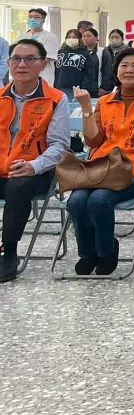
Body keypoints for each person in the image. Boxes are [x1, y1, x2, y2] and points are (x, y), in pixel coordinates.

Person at [68, 48, 134, 276]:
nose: (129, 70)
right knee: (76, 202)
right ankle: (88, 253)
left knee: (99, 201)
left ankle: (106, 252)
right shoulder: (104, 102)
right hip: (99, 169)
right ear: (116, 71)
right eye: (124, 65)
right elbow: (93, 140)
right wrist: (86, 107)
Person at [0, 38, 70, 281]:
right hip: (2, 167)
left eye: (30, 59)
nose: (22, 64)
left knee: (18, 186)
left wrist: (33, 166)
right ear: (9, 63)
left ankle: (8, 252)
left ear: (42, 64)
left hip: (37, 172)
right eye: (17, 59)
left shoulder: (56, 99)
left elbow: (59, 146)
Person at [55, 28, 99, 103]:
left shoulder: (85, 54)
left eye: (74, 37)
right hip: (59, 88)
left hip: (76, 89)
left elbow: (89, 74)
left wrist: (85, 89)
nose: (71, 39)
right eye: (69, 37)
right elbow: (55, 70)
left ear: (79, 39)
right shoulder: (60, 52)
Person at [20, 7, 60, 86]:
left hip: (43, 78)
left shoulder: (50, 37)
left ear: (43, 20)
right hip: (24, 79)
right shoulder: (22, 37)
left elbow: (45, 61)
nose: (32, 19)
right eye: (30, 17)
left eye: (36, 17)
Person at [99, 29, 125, 95]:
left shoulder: (128, 51)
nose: (114, 39)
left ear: (122, 39)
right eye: (112, 37)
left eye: (117, 37)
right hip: (106, 87)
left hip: (122, 85)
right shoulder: (104, 51)